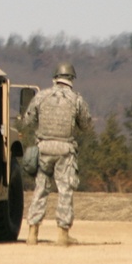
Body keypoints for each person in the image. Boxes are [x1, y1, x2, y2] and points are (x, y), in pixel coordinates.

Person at [22, 62, 92, 247]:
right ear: (71, 79)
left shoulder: (41, 96)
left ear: (55, 78)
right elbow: (86, 125)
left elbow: (28, 120)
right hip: (65, 150)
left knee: (40, 190)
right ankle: (62, 235)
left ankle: (32, 233)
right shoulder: (76, 99)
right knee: (65, 191)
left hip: (43, 148)